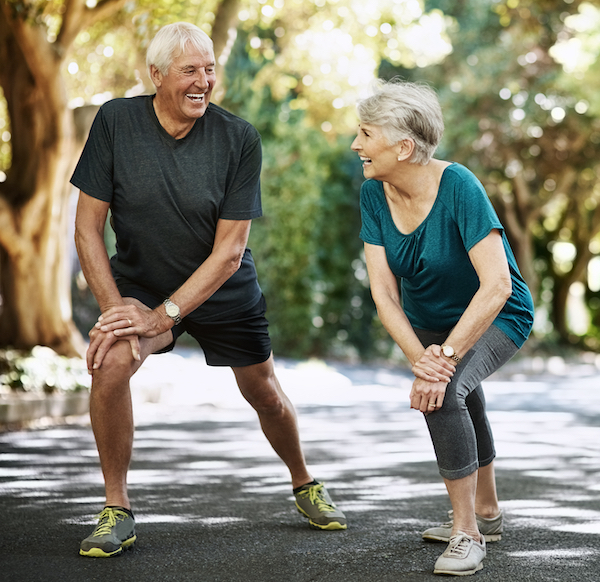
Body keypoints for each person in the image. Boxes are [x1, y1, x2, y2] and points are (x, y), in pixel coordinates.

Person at [72, 21, 346, 558]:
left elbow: (229, 252)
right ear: (155, 76)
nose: (204, 81)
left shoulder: (238, 138)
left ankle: (303, 480)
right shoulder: (115, 121)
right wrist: (115, 313)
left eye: (210, 69)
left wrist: (165, 315)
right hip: (141, 282)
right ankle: (116, 509)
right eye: (189, 70)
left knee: (263, 391)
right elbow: (87, 228)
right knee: (109, 362)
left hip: (222, 287)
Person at [351, 80, 534, 576]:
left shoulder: (459, 187)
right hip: (432, 327)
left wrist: (441, 363)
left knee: (446, 391)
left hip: (497, 313)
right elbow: (384, 294)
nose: (356, 145)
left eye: (366, 134)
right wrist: (420, 357)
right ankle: (488, 514)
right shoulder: (374, 193)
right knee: (457, 390)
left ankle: (466, 532)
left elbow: (496, 286)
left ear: (403, 146)